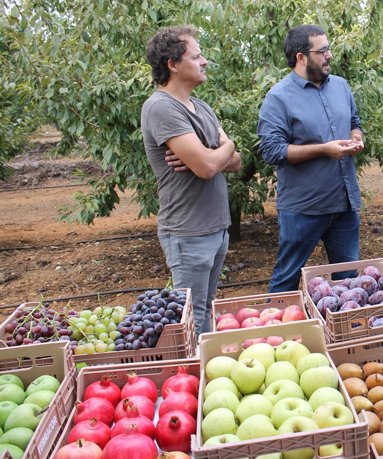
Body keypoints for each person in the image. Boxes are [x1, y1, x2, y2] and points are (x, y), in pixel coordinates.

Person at [141, 25, 241, 336]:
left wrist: (223, 149)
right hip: (188, 232)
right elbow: (209, 167)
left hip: (215, 228)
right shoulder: (161, 107)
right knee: (192, 317)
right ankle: (191, 379)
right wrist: (219, 150)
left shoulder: (202, 108)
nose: (204, 61)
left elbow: (235, 162)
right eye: (196, 56)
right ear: (172, 64)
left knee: (207, 308)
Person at [257, 25, 364, 293]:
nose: (329, 55)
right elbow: (272, 151)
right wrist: (323, 149)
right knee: (287, 278)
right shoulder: (278, 98)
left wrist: (356, 136)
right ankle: (279, 331)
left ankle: (344, 332)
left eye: (329, 49)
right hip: (303, 208)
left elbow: (354, 121)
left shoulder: (341, 86)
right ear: (300, 57)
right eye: (322, 50)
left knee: (348, 279)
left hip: (344, 204)